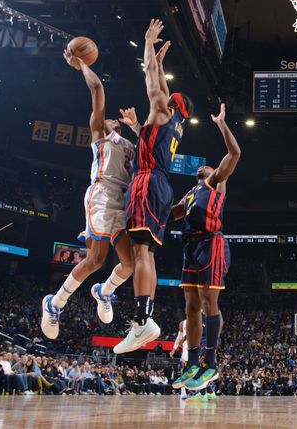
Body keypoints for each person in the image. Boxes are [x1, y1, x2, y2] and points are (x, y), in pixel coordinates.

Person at [41, 50, 138, 339]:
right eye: (112, 122)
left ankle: (104, 291)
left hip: (123, 200)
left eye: (117, 124)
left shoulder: (131, 145)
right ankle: (55, 302)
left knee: (130, 264)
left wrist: (136, 125)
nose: (114, 123)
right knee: (96, 259)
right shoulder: (100, 136)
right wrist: (83, 64)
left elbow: (153, 147)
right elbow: (97, 88)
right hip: (102, 194)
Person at [114, 19, 194, 353]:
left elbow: (151, 79)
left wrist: (148, 43)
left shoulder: (162, 110)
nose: (162, 92)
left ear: (171, 102)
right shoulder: (172, 123)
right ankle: (144, 316)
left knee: (140, 251)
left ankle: (143, 321)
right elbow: (157, 79)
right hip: (159, 185)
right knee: (145, 252)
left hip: (147, 185)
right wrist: (159, 63)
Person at [170, 102, 240, 392]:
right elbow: (166, 213)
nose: (204, 166)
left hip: (211, 243)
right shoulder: (190, 195)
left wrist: (222, 124)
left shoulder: (214, 183)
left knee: (210, 303)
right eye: (202, 167)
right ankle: (193, 364)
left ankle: (211, 363)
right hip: (189, 245)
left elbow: (235, 153)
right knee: (191, 307)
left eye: (209, 166)